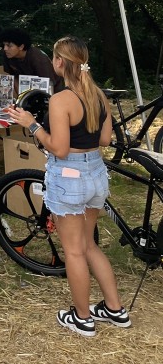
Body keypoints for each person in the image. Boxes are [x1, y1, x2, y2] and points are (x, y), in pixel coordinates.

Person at [7, 36, 131, 337]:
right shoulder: (98, 96)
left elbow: (58, 148)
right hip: (96, 174)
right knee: (88, 246)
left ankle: (82, 317)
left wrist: (32, 124)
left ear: (59, 62)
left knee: (74, 252)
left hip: (69, 177)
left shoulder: (62, 99)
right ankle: (115, 310)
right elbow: (104, 141)